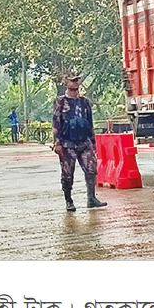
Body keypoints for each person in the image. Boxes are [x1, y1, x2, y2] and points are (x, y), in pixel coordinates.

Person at [52, 72, 106, 212]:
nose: (75, 83)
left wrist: (93, 143)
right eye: (72, 81)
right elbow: (56, 123)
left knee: (91, 170)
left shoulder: (85, 102)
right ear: (66, 84)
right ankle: (69, 201)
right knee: (67, 174)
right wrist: (57, 142)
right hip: (67, 143)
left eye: (76, 81)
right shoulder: (61, 102)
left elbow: (90, 122)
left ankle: (91, 198)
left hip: (84, 142)